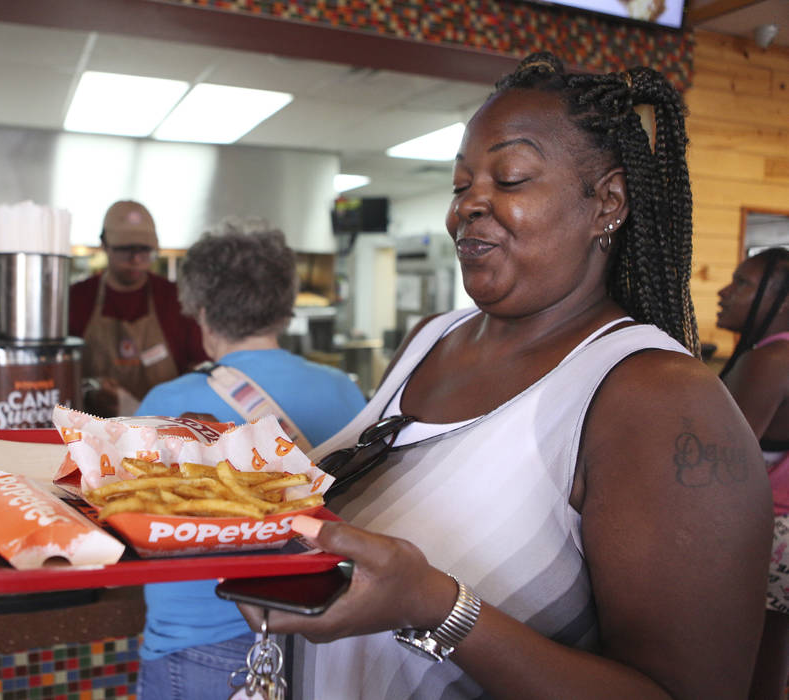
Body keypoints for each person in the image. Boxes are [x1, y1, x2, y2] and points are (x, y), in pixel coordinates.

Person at [233, 51, 773, 699]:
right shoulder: (431, 338)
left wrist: (436, 607)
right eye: (461, 185)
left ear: (607, 203)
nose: (470, 205)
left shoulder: (657, 399)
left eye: (510, 178)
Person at [132, 218, 366, 700]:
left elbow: (131, 527)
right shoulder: (344, 391)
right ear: (285, 306)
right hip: (318, 637)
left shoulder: (163, 403)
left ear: (198, 309)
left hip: (196, 644)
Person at [715, 247, 789, 700]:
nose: (725, 292)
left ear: (782, 302)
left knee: (754, 669)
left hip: (771, 534)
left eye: (743, 284)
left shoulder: (773, 360)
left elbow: (724, 468)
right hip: (778, 527)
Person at [68, 200, 208, 417]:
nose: (135, 259)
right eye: (125, 250)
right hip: (93, 436)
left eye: (144, 250)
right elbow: (63, 379)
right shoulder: (77, 299)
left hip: (166, 435)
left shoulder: (177, 299)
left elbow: (202, 371)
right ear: (104, 245)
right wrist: (92, 392)